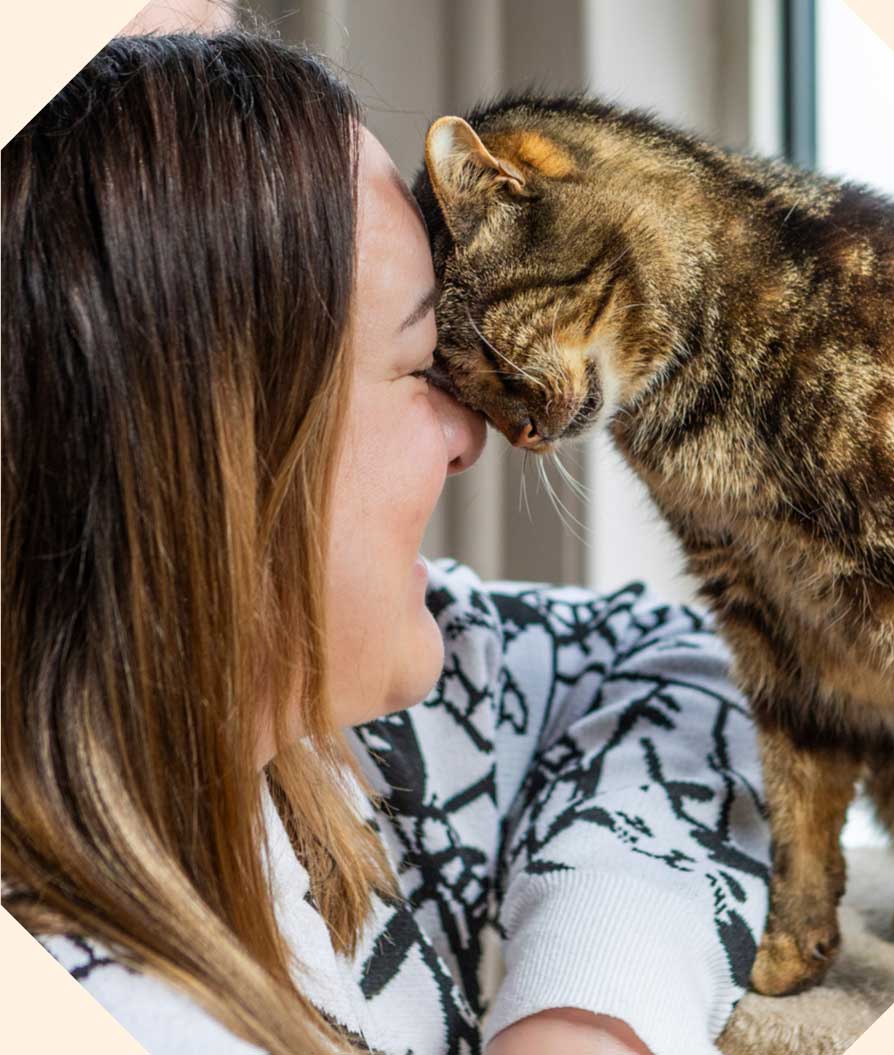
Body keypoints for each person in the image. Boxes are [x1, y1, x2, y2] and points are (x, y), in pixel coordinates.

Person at [1, 30, 769, 1055]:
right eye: (418, 368)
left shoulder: (352, 751)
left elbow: (671, 661)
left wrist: (585, 1008)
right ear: (213, 446)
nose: (470, 436)